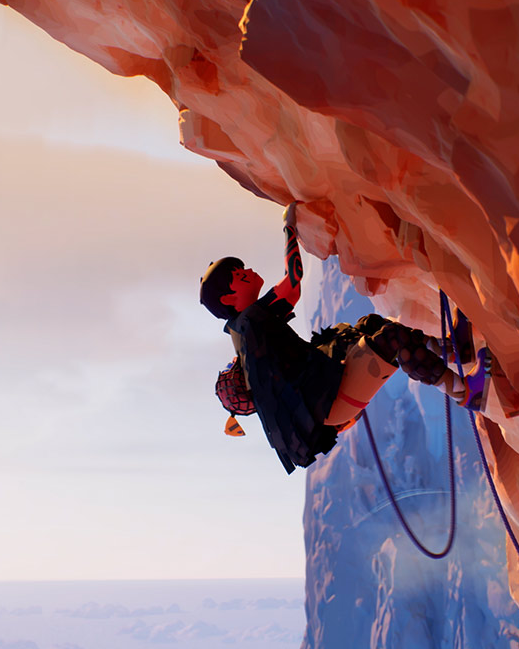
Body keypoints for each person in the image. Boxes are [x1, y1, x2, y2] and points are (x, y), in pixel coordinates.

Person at [199, 202, 489, 474]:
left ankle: (455, 351)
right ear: (229, 297)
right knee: (391, 339)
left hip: (327, 396)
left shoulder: (247, 330)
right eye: (239, 274)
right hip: (331, 400)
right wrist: (289, 229)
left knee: (371, 324)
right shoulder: (250, 323)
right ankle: (466, 393)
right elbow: (292, 284)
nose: (248, 271)